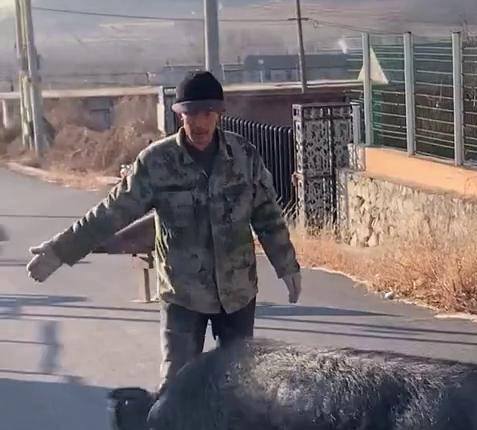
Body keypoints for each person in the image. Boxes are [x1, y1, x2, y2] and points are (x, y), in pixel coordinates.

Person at [26, 70, 302, 384]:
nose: (199, 123)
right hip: (183, 295)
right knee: (176, 387)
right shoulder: (156, 163)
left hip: (238, 292)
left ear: (218, 114)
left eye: (207, 113)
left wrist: (286, 266)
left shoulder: (242, 156)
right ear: (180, 115)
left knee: (241, 386)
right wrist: (60, 250)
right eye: (190, 114)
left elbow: (266, 214)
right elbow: (111, 213)